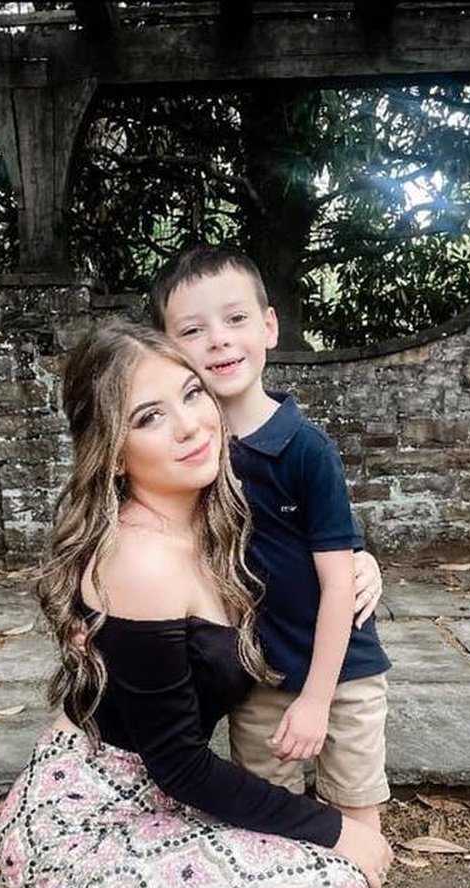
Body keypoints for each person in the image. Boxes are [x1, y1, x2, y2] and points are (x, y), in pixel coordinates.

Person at [0, 321, 392, 888]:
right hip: (86, 827)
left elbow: (317, 558)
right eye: (148, 416)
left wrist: (360, 568)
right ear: (110, 452)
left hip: (153, 802)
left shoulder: (218, 503)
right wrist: (335, 830)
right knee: (327, 887)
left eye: (190, 394)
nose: (188, 424)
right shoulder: (140, 557)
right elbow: (178, 762)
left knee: (319, 880)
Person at [151, 244, 392, 843]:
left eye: (235, 320)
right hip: (257, 676)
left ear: (268, 325)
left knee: (354, 816)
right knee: (268, 823)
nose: (218, 341)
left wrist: (315, 700)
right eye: (192, 330)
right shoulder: (186, 455)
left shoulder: (306, 449)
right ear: (168, 350)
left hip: (343, 671)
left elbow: (339, 580)